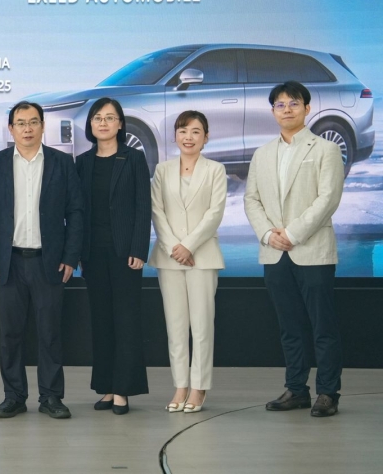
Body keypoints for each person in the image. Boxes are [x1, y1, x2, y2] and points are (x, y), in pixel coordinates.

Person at [244, 81, 344, 417]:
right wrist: (267, 235)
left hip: (313, 250)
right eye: (280, 104)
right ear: (273, 111)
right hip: (274, 253)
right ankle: (297, 389)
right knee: (290, 327)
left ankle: (328, 392)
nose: (287, 109)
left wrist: (292, 233)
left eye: (293, 103)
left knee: (322, 326)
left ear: (307, 108)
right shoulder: (262, 153)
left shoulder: (326, 149)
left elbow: (328, 198)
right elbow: (251, 199)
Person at [0, 101, 84, 419]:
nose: (27, 128)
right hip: (9, 262)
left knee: (50, 333)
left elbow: (75, 212)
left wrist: (70, 256)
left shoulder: (61, 162)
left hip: (48, 261)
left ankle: (51, 397)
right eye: (21, 123)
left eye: (33, 122)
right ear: (11, 129)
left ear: (42, 126)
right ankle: (13, 396)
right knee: (10, 335)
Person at [75, 97, 150, 415]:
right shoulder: (82, 162)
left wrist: (139, 249)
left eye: (109, 117)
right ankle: (106, 386)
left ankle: (123, 389)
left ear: (120, 123)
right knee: (101, 321)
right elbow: (77, 211)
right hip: (93, 253)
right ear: (90, 124)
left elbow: (143, 205)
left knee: (126, 321)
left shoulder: (133, 158)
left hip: (125, 253)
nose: (103, 123)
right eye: (97, 118)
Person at [149, 111, 226, 414]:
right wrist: (174, 247)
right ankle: (180, 385)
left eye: (195, 131)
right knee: (176, 326)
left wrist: (189, 246)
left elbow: (215, 213)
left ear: (206, 137)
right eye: (183, 131)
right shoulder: (162, 169)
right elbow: (157, 212)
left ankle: (199, 387)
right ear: (174, 136)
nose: (188, 137)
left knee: (202, 325)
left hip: (202, 257)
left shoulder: (215, 170)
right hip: (169, 258)